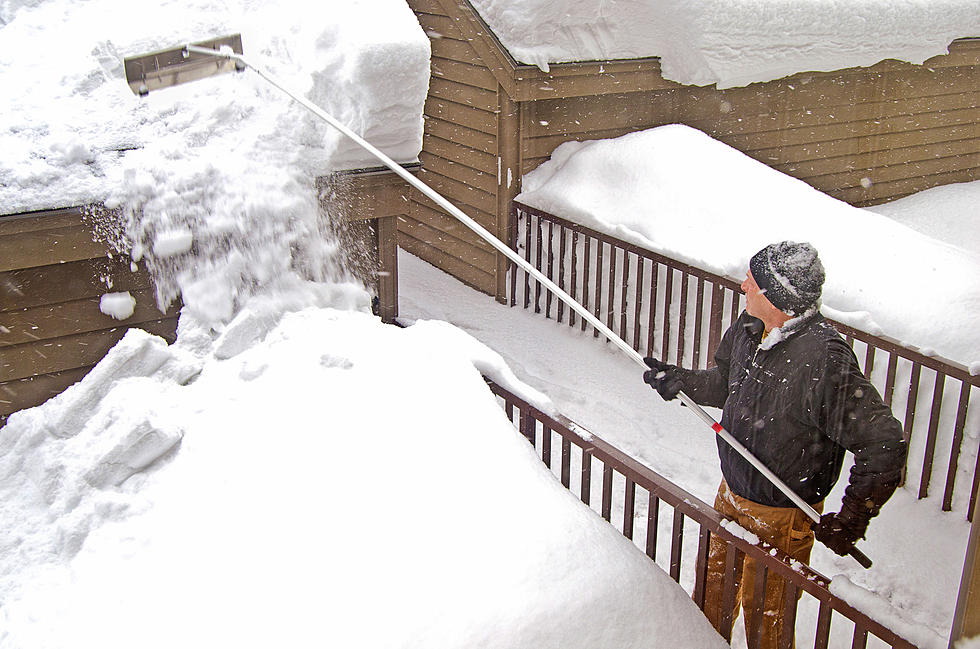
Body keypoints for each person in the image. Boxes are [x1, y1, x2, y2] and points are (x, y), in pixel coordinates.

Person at [643, 241, 907, 649]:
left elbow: (884, 443)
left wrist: (853, 518)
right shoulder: (749, 328)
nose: (743, 284)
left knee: (767, 625)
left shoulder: (823, 361)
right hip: (731, 495)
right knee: (709, 602)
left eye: (754, 280)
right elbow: (726, 383)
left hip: (783, 520)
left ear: (778, 296)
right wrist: (682, 381)